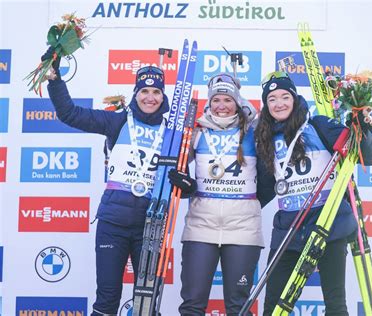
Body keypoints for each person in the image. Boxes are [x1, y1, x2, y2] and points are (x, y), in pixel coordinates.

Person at [41, 47, 195, 315]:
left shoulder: (174, 135)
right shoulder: (116, 122)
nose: (150, 97)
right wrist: (55, 80)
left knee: (147, 302)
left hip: (152, 224)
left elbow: (184, 183)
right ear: (135, 94)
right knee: (108, 298)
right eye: (144, 91)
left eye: (156, 92)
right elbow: (70, 114)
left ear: (164, 96)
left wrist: (186, 185)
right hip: (113, 222)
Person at [254, 72, 372, 316]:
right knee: (273, 307)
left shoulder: (318, 126)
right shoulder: (266, 139)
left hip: (328, 224)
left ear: (294, 98)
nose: (279, 103)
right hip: (289, 229)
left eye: (284, 96)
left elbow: (368, 155)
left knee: (335, 305)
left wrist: (363, 131)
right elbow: (262, 190)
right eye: (272, 99)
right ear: (266, 104)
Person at [179, 73, 263, 315]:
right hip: (200, 225)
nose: (222, 106)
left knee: (239, 306)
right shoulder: (196, 132)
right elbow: (178, 167)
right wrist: (185, 182)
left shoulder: (253, 131)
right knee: (192, 304)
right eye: (216, 100)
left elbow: (268, 124)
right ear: (209, 103)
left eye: (228, 100)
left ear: (238, 103)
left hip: (243, 228)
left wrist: (247, 109)